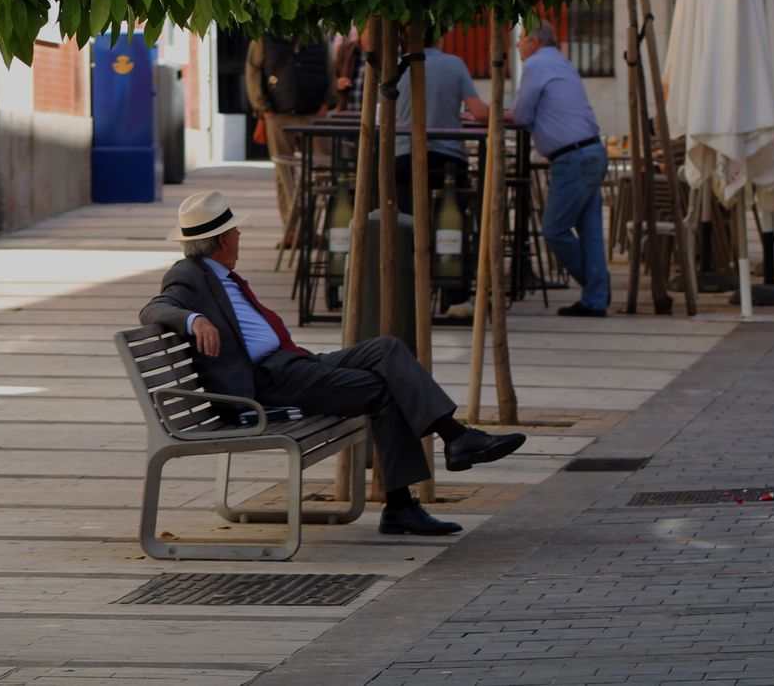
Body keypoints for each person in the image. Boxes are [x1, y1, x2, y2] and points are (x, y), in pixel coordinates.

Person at [140, 191, 527, 536]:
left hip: (291, 363)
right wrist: (195, 320)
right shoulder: (188, 274)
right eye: (236, 231)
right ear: (223, 239)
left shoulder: (221, 276)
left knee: (386, 348)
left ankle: (452, 442)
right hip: (268, 381)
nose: (240, 236)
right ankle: (411, 494)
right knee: (383, 392)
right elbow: (155, 308)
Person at [504, 23, 609, 317]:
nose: (517, 45)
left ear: (534, 42)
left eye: (521, 39)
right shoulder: (562, 62)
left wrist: (492, 115)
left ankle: (597, 288)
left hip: (572, 158)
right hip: (592, 151)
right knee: (590, 232)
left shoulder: (536, 64)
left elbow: (523, 115)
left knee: (554, 229)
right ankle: (596, 298)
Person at [394, 31, 489, 215]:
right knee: (452, 215)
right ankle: (449, 236)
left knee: (406, 216)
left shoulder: (397, 66)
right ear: (439, 38)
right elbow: (479, 113)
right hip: (448, 158)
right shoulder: (455, 64)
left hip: (405, 156)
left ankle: (408, 238)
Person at [247, 33, 333, 229]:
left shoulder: (316, 35)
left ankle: (312, 227)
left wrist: (327, 102)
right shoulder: (264, 37)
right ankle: (292, 228)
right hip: (278, 115)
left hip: (313, 114)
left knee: (320, 170)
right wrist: (263, 108)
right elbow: (253, 72)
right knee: (284, 172)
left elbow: (329, 68)